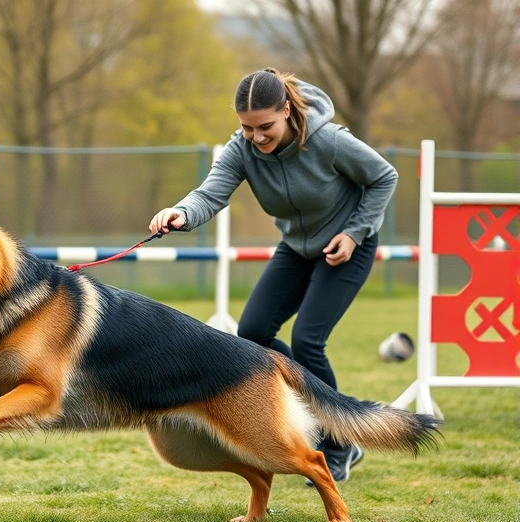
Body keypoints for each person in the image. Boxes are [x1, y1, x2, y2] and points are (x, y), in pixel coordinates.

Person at [148, 68, 398, 484]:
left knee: (307, 341)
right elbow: (210, 194)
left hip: (345, 248)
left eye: (266, 126)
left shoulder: (329, 140)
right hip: (297, 248)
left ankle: (339, 444)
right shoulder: (241, 149)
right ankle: (315, 417)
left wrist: (355, 233)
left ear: (286, 110)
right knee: (253, 333)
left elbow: (383, 177)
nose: (257, 137)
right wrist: (181, 213)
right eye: (247, 128)